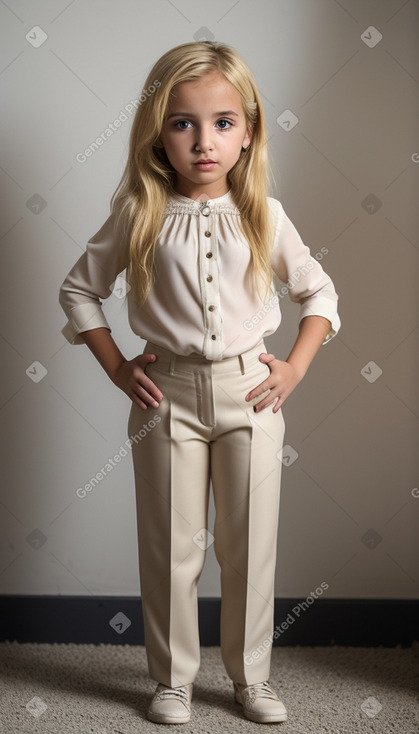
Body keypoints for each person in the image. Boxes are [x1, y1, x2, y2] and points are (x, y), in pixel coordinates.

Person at [59, 40, 341, 725]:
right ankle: (173, 681)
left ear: (246, 133)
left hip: (251, 395)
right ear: (159, 133)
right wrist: (118, 367)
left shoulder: (265, 215)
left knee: (249, 550)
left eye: (221, 122)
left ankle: (251, 681)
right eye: (182, 122)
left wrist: (294, 367)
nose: (203, 141)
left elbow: (320, 294)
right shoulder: (138, 214)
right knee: (170, 548)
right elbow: (78, 292)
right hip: (167, 402)